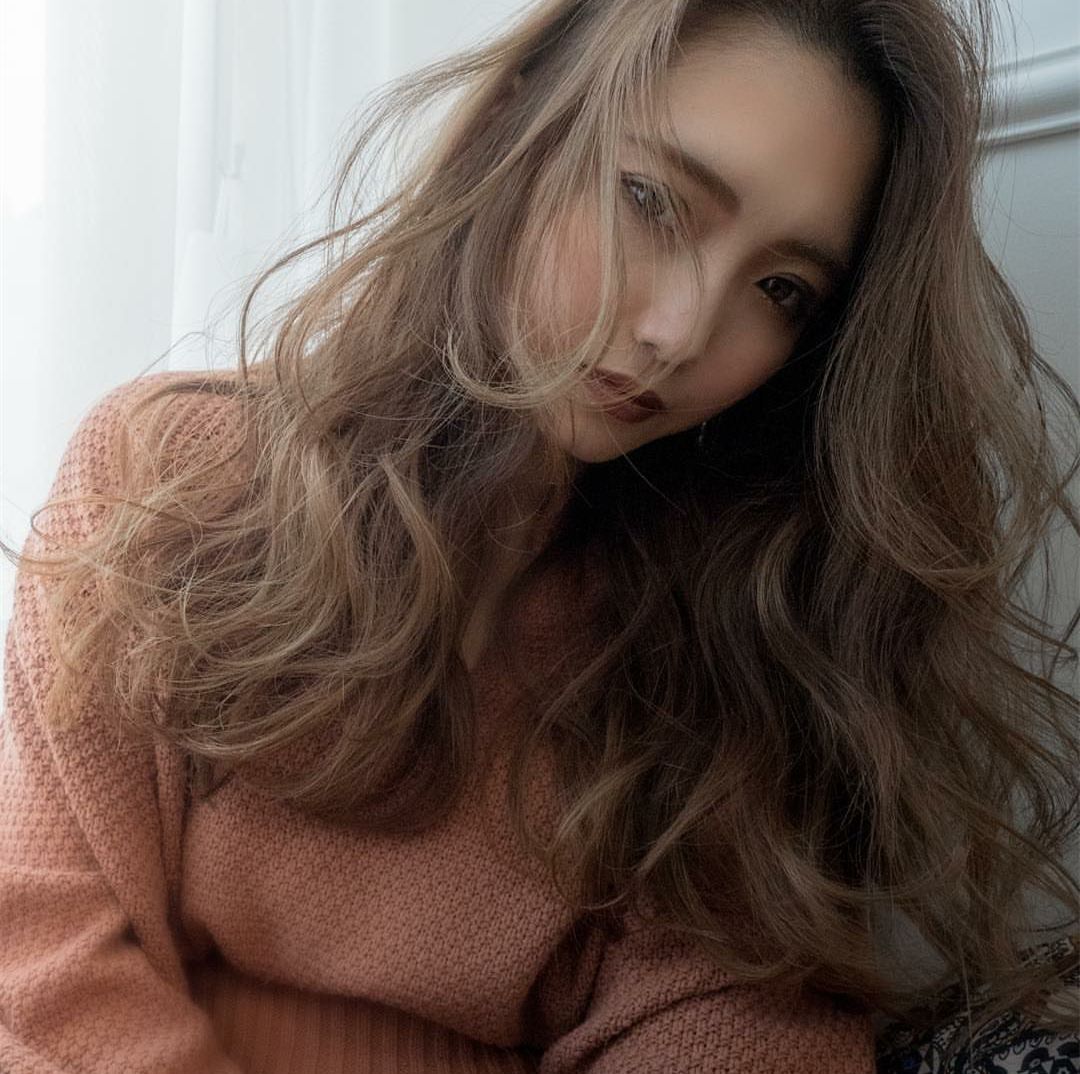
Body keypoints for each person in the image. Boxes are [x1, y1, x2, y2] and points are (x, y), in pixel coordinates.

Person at [2, 0, 1077, 1071]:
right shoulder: (172, 470)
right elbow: (39, 955)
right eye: (652, 200)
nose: (680, 331)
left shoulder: (737, 638)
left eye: (781, 289)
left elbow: (736, 1038)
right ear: (515, 130)